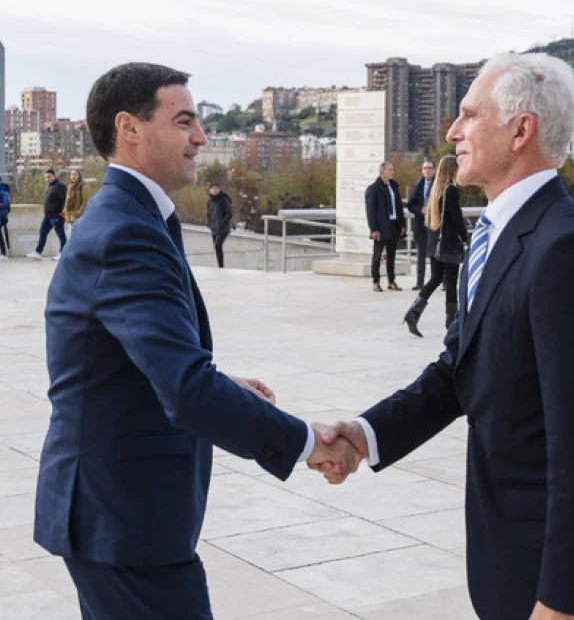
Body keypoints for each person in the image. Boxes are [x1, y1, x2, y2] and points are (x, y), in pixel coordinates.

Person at [317, 53, 574, 620]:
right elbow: (458, 370)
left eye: (469, 115)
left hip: (564, 578)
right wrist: (366, 434)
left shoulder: (568, 250)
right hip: (513, 550)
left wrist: (563, 601)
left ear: (521, 130)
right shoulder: (496, 233)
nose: (452, 131)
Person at [33, 62, 357, 620]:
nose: (201, 138)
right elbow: (185, 389)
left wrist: (220, 383)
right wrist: (307, 441)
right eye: (184, 121)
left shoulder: (133, 219)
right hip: (124, 520)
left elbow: (131, 356)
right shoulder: (127, 230)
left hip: (118, 516)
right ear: (129, 128)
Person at [403, 155, 466, 336]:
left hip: (434, 241)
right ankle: (452, 323)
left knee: (435, 278)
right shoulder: (450, 190)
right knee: (451, 282)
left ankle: (413, 313)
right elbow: (456, 219)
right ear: (452, 169)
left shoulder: (435, 190)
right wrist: (465, 237)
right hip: (447, 243)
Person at [365, 161, 405, 292]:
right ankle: (376, 282)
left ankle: (391, 281)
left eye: (392, 169)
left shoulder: (394, 187)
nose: (392, 172)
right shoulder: (374, 189)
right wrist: (374, 229)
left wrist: (402, 225)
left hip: (394, 224)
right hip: (381, 227)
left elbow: (399, 208)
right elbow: (371, 211)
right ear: (382, 172)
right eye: (390, 170)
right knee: (377, 255)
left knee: (392, 255)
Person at [406, 159, 436, 290]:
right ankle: (420, 282)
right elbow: (410, 205)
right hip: (420, 223)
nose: (427, 170)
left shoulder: (439, 185)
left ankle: (440, 280)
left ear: (434, 170)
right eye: (425, 168)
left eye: (430, 168)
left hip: (435, 223)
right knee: (421, 254)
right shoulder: (417, 186)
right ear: (422, 171)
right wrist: (420, 210)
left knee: (437, 253)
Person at [26, 168, 67, 261]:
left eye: (49, 177)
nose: (47, 179)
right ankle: (38, 252)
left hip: (57, 216)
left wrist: (63, 211)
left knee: (60, 234)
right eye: (46, 177)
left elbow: (66, 199)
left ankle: (63, 253)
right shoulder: (48, 186)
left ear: (54, 176)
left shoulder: (59, 186)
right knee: (42, 233)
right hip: (48, 216)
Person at [206, 183, 233, 268]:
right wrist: (209, 223)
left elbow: (229, 213)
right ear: (210, 190)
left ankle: (221, 266)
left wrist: (221, 223)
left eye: (216, 188)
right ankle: (219, 265)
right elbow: (209, 213)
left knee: (218, 245)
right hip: (214, 228)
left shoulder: (224, 199)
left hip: (223, 228)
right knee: (216, 246)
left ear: (219, 189)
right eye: (213, 189)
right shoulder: (210, 202)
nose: (215, 190)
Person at [0, 179, 9, 261]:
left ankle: (4, 253)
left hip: (1, 216)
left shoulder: (2, 191)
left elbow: (6, 203)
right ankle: (3, 253)